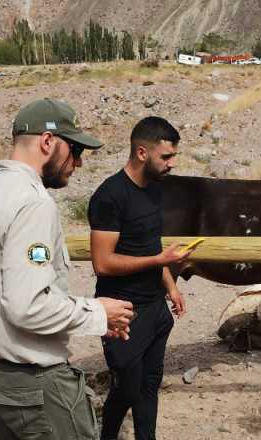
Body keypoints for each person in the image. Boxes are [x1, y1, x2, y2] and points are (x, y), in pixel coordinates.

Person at [0, 98, 135, 440]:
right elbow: (28, 306)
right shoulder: (31, 202)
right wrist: (98, 313)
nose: (77, 163)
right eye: (75, 150)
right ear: (48, 142)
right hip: (28, 384)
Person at [87, 117, 190, 440]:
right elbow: (102, 263)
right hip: (122, 313)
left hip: (155, 308)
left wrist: (171, 287)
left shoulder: (155, 190)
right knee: (128, 389)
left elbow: (149, 245)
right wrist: (161, 261)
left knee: (149, 387)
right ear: (142, 152)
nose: (172, 164)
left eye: (174, 156)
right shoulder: (110, 196)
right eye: (166, 157)